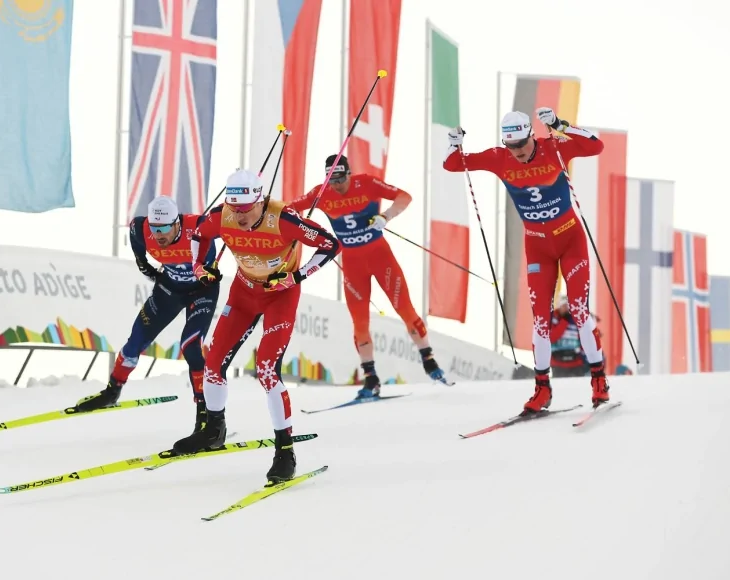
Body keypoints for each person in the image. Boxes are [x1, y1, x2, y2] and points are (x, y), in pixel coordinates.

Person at [171, 168, 340, 483]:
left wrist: (297, 276)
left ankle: (285, 450)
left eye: (246, 210)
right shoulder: (223, 216)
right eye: (234, 209)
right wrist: (199, 267)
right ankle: (214, 430)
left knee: (266, 370)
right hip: (244, 294)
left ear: (260, 201)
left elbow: (330, 245)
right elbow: (198, 234)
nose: (239, 216)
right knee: (212, 363)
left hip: (280, 297)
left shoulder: (284, 219)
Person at [443, 107, 610, 412]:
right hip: (537, 247)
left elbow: (595, 146)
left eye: (521, 144)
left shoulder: (554, 147)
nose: (517, 151)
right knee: (540, 321)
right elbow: (453, 164)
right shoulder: (499, 158)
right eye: (511, 146)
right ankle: (542, 389)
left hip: (570, 241)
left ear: (532, 135)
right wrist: (454, 143)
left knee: (578, 311)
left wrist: (560, 125)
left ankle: (599, 379)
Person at [290, 154, 449, 399]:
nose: (337, 186)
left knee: (405, 309)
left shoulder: (367, 183)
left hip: (380, 258)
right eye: (332, 181)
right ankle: (371, 378)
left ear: (349, 174)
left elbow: (404, 196)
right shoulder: (320, 192)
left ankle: (429, 361)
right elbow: (288, 210)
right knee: (360, 322)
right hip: (353, 265)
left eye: (340, 180)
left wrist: (385, 216)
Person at [73, 196, 221, 435]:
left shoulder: (199, 226)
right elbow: (136, 238)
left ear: (177, 223)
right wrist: (146, 266)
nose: (158, 234)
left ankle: (206, 417)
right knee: (135, 342)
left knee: (191, 347)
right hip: (169, 291)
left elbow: (237, 228)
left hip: (202, 291)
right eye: (155, 228)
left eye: (164, 228)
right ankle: (112, 390)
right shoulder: (141, 229)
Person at [549, 295, 590, 378]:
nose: (566, 308)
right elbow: (552, 338)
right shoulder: (552, 319)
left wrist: (585, 358)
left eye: (568, 306)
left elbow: (583, 340)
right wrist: (564, 321)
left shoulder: (576, 319)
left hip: (576, 362)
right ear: (559, 307)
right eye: (564, 306)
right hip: (558, 363)